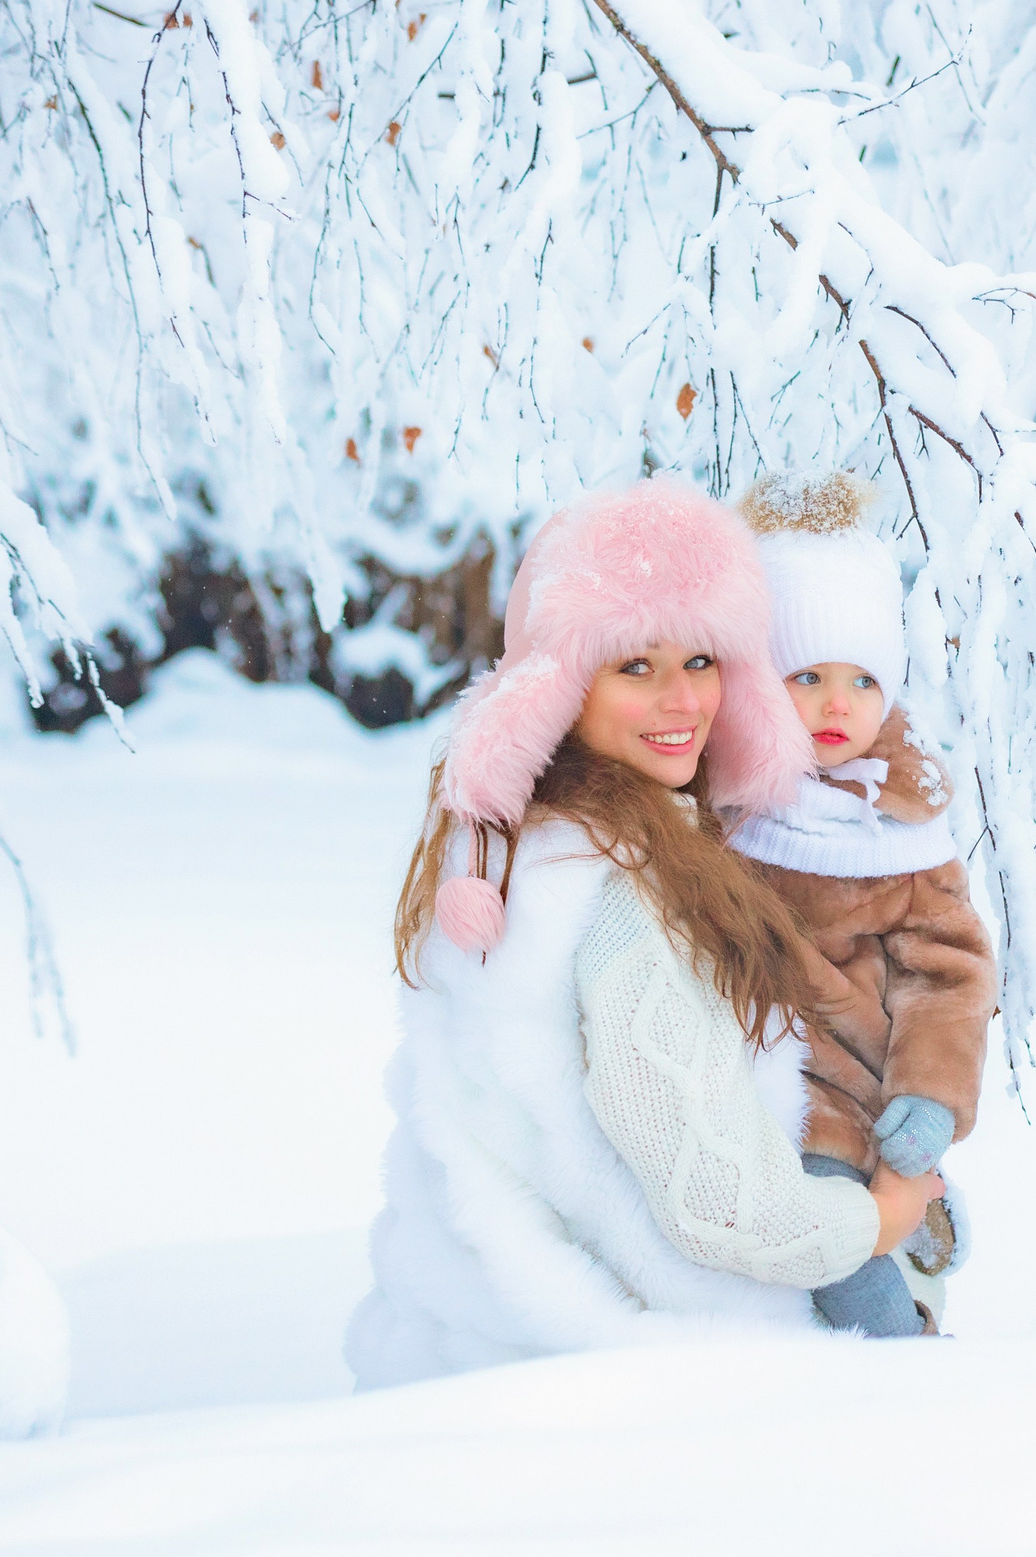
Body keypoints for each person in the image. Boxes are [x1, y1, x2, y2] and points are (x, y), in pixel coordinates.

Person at [345, 476, 943, 1387]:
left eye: (701, 660)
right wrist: (878, 1221)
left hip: (494, 1357)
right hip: (654, 1390)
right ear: (559, 687)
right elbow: (724, 1201)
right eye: (635, 665)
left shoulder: (503, 854)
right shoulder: (621, 890)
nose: (682, 701)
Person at [727, 472, 997, 1337]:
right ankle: (912, 1223)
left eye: (862, 679)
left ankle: (901, 1354)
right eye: (806, 676)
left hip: (853, 1091)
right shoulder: (731, 805)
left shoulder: (900, 827)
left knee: (831, 1234)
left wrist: (931, 1094)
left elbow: (951, 972)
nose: (839, 704)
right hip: (754, 1077)